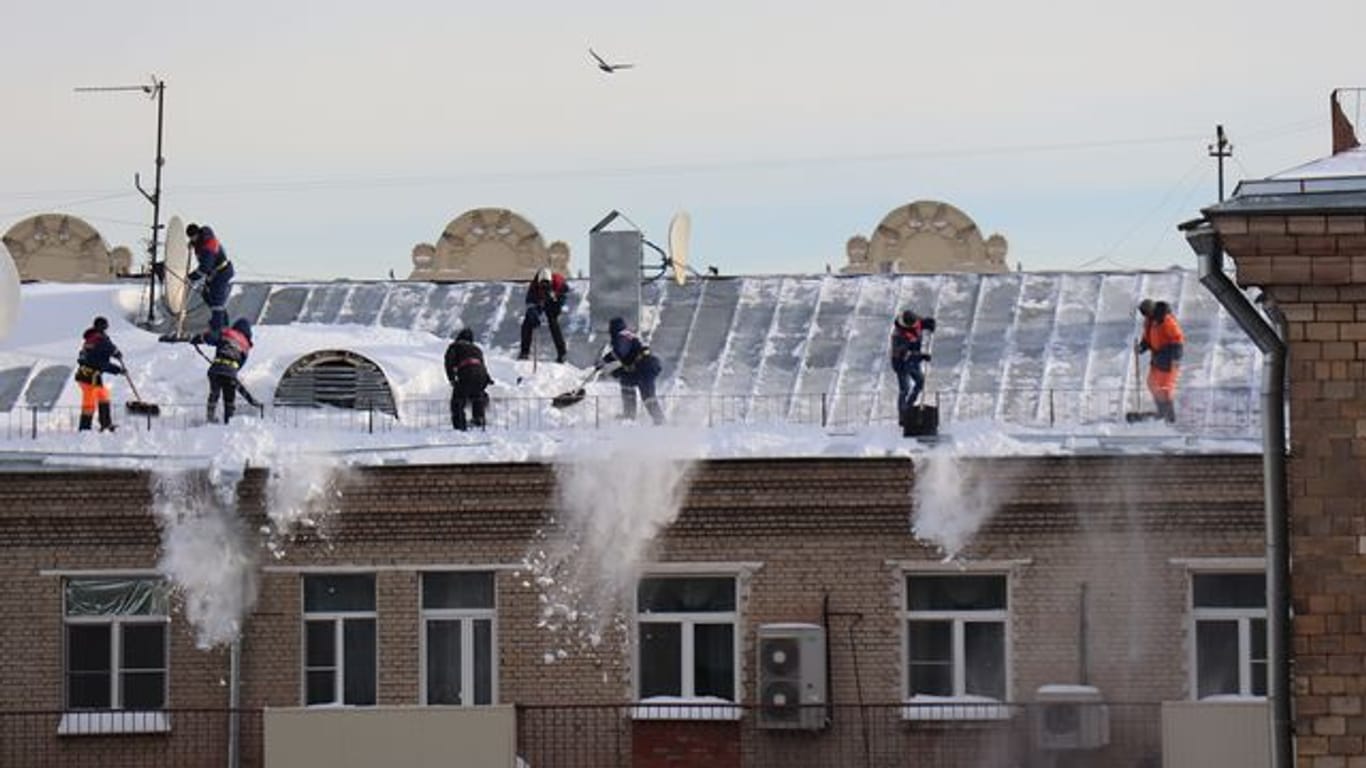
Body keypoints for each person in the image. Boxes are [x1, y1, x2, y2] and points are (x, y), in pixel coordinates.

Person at [599, 316, 664, 425]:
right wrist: (611, 368)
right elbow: (627, 359)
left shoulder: (621, 337)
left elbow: (620, 352)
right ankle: (629, 414)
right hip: (641, 367)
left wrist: (605, 360)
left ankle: (660, 420)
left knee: (648, 396)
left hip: (645, 368)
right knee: (626, 381)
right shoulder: (627, 335)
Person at [191, 318, 254, 424]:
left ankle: (210, 417)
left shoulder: (227, 333)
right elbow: (240, 364)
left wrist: (198, 339)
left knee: (214, 393)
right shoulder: (246, 346)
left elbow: (211, 337)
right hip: (230, 373)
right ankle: (228, 421)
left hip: (214, 370)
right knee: (229, 398)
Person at [1136, 299, 1184, 423]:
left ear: (1151, 310)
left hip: (1168, 359)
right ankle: (1162, 411)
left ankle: (1170, 417)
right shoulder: (1150, 321)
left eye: (1145, 313)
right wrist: (1142, 347)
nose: (1144, 316)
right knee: (1152, 383)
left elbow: (1177, 339)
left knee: (1165, 388)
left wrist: (1174, 357)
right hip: (1157, 358)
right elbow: (1147, 338)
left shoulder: (1166, 320)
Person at [74, 316, 124, 432]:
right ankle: (84, 429)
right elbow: (102, 364)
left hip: (90, 375)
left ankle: (106, 423)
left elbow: (108, 348)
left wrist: (115, 352)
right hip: (89, 377)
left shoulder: (92, 338)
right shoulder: (99, 341)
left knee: (103, 395)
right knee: (89, 403)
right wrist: (119, 370)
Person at [186, 223, 235, 334]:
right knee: (207, 295)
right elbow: (199, 245)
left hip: (222, 272)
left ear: (197, 234)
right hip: (214, 273)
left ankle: (218, 329)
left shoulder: (208, 245)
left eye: (192, 237)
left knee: (216, 299)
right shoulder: (201, 240)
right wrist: (193, 244)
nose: (192, 239)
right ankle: (221, 322)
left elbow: (205, 267)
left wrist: (192, 277)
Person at [889, 309, 936, 420]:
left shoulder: (915, 322)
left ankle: (909, 406)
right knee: (905, 389)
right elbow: (905, 354)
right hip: (902, 363)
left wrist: (929, 324)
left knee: (920, 382)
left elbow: (922, 323)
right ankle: (903, 414)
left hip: (914, 360)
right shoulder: (899, 336)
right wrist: (922, 356)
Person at [444, 328, 493, 431]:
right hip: (481, 374)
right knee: (477, 394)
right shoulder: (476, 349)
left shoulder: (455, 346)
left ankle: (459, 425)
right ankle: (479, 419)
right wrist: (488, 379)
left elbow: (449, 363)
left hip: (467, 372)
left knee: (458, 399)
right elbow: (482, 365)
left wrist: (452, 379)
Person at [519, 267, 571, 364]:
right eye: (542, 285)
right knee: (527, 322)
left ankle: (562, 353)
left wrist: (557, 302)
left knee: (553, 322)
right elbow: (530, 302)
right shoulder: (534, 286)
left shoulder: (559, 282)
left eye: (546, 285)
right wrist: (533, 313)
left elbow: (564, 295)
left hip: (553, 301)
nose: (544, 287)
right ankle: (524, 352)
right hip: (538, 300)